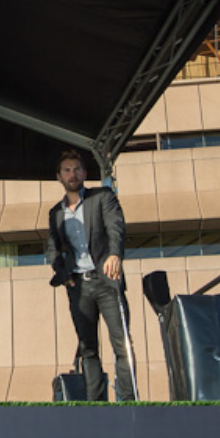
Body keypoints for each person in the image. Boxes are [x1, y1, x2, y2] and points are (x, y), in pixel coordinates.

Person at [45, 150, 136, 402]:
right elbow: (52, 248)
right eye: (66, 170)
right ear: (59, 177)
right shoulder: (56, 213)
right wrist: (64, 275)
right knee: (88, 348)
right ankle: (96, 405)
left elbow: (116, 227)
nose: (72, 174)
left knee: (122, 343)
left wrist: (115, 254)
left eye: (76, 169)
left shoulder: (102, 197)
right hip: (79, 286)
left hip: (106, 281)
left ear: (84, 173)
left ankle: (128, 401)